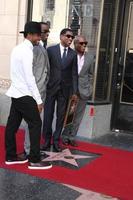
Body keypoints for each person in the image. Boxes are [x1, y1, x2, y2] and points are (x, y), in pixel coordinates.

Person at [5, 21, 52, 170]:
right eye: (38, 35)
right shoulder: (26, 51)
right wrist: (38, 100)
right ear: (30, 35)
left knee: (12, 125)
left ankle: (11, 156)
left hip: (16, 93)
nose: (40, 37)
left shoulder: (17, 48)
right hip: (25, 94)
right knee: (36, 124)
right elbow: (29, 77)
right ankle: (34, 160)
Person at [41, 28, 78, 152]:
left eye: (72, 37)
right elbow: (45, 69)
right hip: (51, 88)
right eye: (68, 36)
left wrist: (74, 92)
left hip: (65, 91)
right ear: (61, 36)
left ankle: (56, 141)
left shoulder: (73, 54)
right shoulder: (50, 50)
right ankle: (46, 140)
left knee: (61, 117)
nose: (70, 39)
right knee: (48, 116)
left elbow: (74, 74)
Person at [62, 35, 94, 146]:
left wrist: (89, 88)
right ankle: (65, 136)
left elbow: (90, 74)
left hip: (84, 91)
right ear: (75, 44)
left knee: (78, 116)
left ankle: (72, 137)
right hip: (72, 91)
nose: (84, 45)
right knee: (70, 115)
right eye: (81, 43)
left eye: (85, 43)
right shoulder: (70, 55)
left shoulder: (90, 57)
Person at [23, 22, 50, 157]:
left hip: (42, 90)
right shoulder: (31, 49)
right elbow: (29, 72)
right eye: (43, 32)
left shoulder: (42, 47)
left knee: (36, 122)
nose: (45, 35)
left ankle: (34, 148)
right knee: (33, 122)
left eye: (46, 32)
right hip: (35, 91)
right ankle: (29, 150)